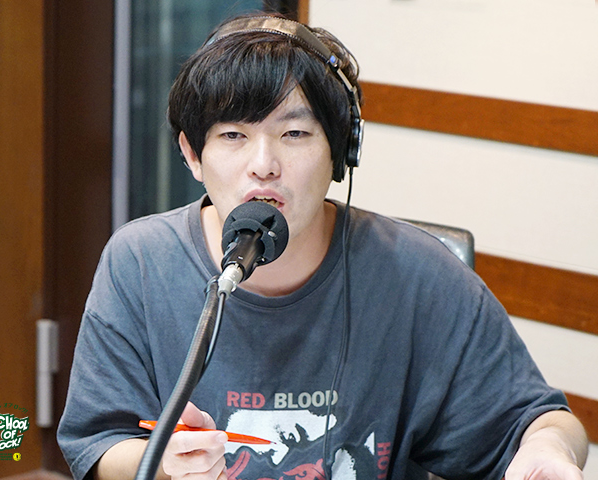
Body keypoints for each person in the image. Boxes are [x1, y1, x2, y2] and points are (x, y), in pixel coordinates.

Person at [57, 12, 588, 480]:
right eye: (233, 136)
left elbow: (541, 421)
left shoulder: (418, 274)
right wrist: (164, 465)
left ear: (340, 153)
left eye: (294, 134)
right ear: (192, 155)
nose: (263, 165)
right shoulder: (140, 262)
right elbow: (99, 445)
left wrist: (548, 450)